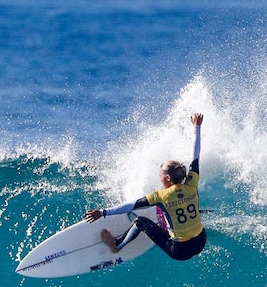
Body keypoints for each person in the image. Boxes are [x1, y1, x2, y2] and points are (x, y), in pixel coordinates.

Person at [83, 112, 206, 261]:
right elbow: (195, 157)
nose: (159, 177)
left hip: (180, 251)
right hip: (200, 241)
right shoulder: (191, 183)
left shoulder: (161, 196)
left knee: (140, 221)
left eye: (160, 175)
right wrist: (197, 127)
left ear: (167, 178)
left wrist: (102, 212)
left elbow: (132, 206)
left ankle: (117, 245)